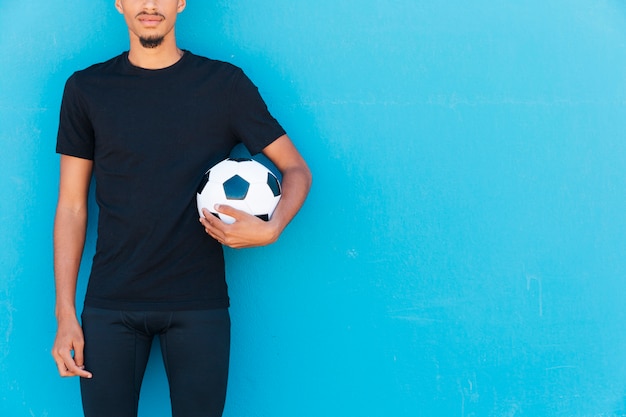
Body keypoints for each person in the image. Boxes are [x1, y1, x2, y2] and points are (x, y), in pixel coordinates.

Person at [51, 0, 312, 416]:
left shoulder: (224, 85)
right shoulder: (86, 88)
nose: (150, 5)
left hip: (198, 304)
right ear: (119, 3)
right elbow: (70, 207)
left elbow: (296, 168)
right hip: (110, 305)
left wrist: (273, 226)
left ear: (180, 2)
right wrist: (65, 313)